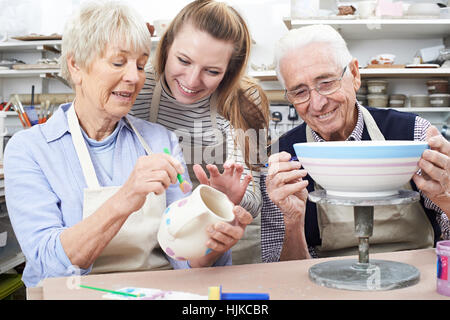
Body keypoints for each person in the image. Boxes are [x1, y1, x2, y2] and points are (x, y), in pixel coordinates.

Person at [4, 1, 253, 288]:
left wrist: (213, 230)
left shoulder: (160, 141)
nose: (134, 77)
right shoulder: (30, 150)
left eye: (140, 64)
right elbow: (48, 264)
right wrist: (126, 198)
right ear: (76, 66)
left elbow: (181, 258)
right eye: (118, 62)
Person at [261, 24, 450, 261]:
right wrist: (292, 221)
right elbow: (280, 275)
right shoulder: (283, 160)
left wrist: (447, 196)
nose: (318, 103)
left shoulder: (415, 134)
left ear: (355, 74)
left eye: (327, 82)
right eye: (300, 92)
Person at [131, 0, 270, 264]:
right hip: (150, 247)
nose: (192, 80)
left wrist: (231, 197)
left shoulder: (246, 99)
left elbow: (255, 194)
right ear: (167, 45)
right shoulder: (139, 88)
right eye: (183, 60)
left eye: (212, 71)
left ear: (230, 69)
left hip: (223, 243)